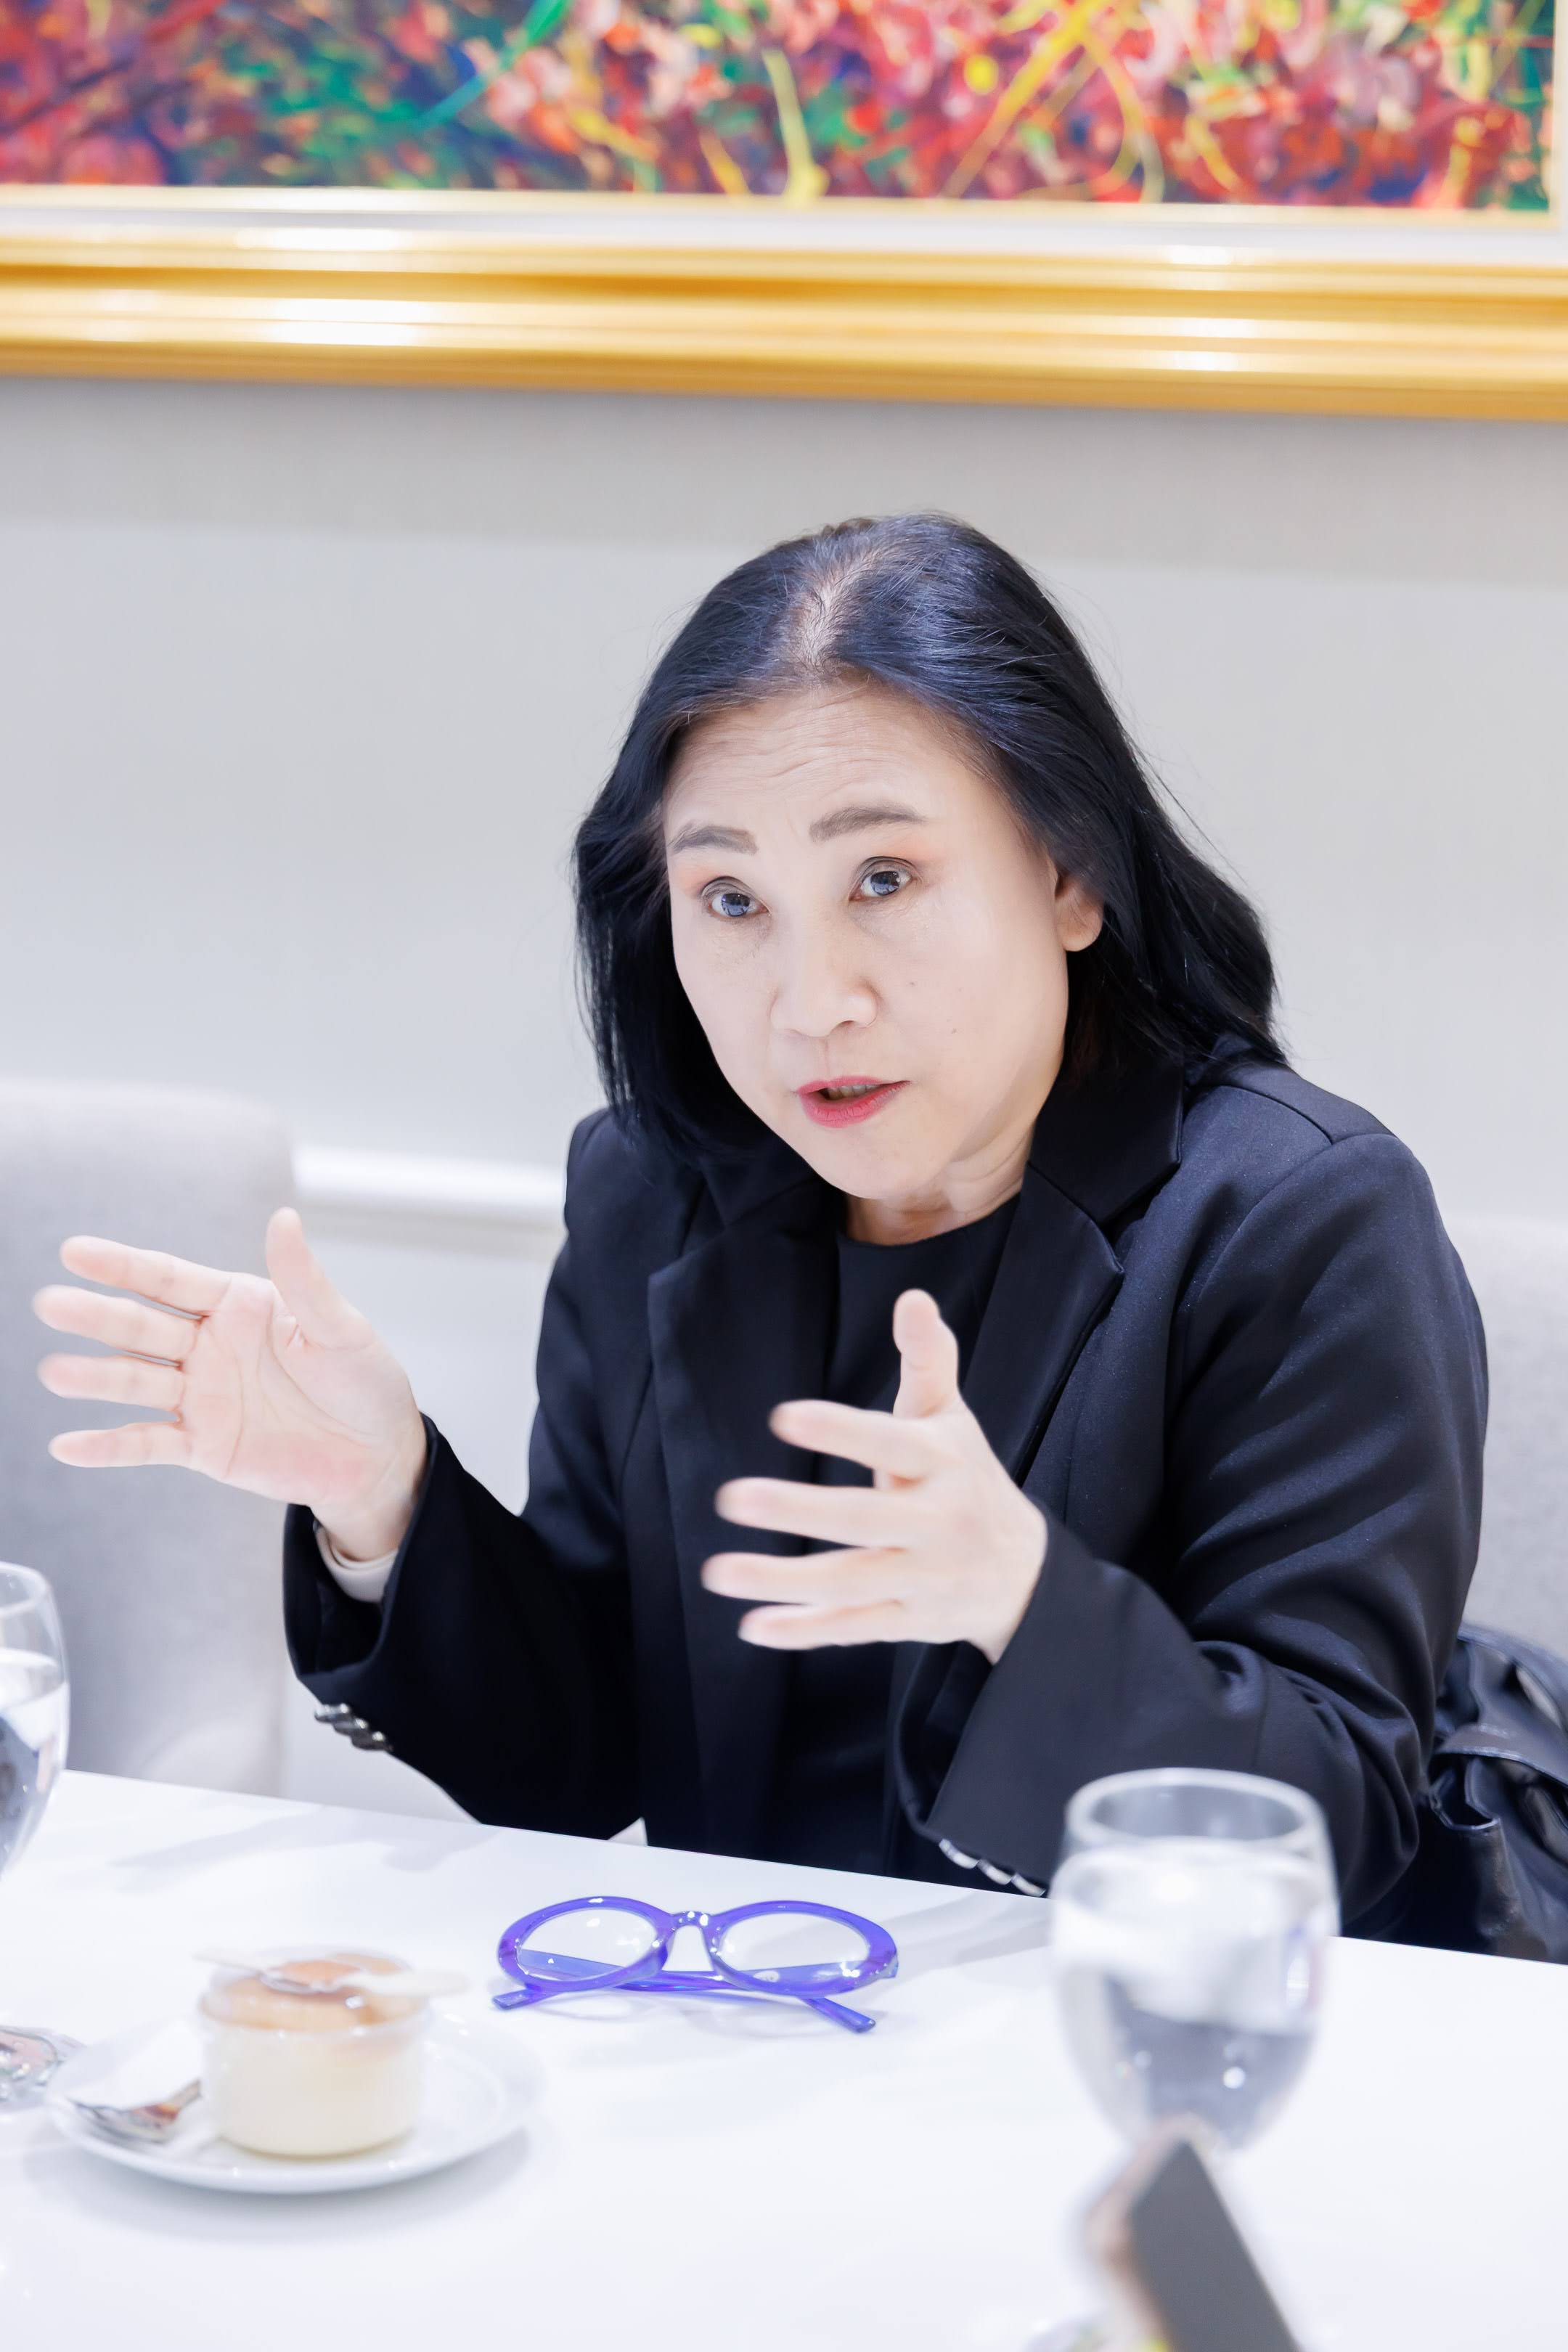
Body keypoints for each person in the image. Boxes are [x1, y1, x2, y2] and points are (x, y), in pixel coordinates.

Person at [33, 513, 1485, 1926]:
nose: (811, 1001)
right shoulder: (653, 1191)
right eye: (730, 898)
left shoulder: (1297, 1218)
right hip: (742, 2027)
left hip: (1107, 2038)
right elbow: (572, 1767)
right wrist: (384, 1500)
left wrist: (1019, 1599)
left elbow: (1333, 1824)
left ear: (1071, 876)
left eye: (884, 879)